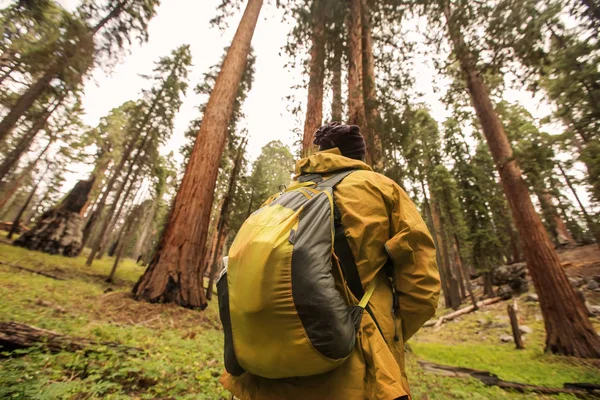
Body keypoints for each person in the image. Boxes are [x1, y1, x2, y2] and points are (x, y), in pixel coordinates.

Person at [221, 122, 440, 400]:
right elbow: (422, 285)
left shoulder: (281, 198)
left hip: (264, 374)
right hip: (354, 362)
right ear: (358, 157)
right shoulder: (381, 189)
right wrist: (390, 332)